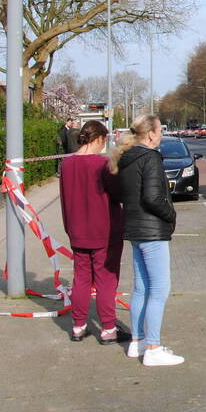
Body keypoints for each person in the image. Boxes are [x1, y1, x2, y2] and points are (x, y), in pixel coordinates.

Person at [113, 114, 183, 366]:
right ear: (151, 134)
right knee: (159, 289)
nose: (161, 135)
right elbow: (153, 197)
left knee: (141, 287)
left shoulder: (127, 157)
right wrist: (171, 216)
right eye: (160, 131)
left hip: (133, 228)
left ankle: (137, 342)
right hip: (152, 230)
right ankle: (153, 347)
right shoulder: (151, 157)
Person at [60, 120, 127, 343]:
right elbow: (118, 194)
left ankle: (78, 326)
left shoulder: (67, 164)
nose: (103, 145)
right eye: (104, 141)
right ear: (98, 138)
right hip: (104, 230)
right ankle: (108, 329)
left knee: (81, 278)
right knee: (106, 280)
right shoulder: (102, 165)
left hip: (77, 230)